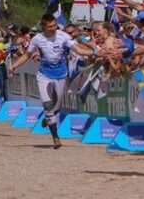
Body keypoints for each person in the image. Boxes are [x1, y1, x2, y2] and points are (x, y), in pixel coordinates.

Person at [8, 13, 96, 149]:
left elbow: (78, 49)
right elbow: (27, 55)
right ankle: (55, 138)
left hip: (61, 75)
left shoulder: (63, 36)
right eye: (50, 26)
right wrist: (14, 66)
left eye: (55, 25)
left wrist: (95, 52)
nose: (54, 28)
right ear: (43, 27)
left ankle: (48, 118)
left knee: (56, 106)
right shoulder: (37, 39)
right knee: (48, 105)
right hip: (44, 75)